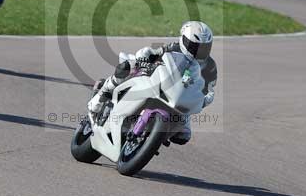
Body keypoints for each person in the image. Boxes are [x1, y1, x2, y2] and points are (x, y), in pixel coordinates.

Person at [87, 20, 217, 145]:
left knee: (183, 134)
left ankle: (152, 136)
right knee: (127, 67)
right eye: (194, 46)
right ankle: (102, 94)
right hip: (155, 79)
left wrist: (205, 99)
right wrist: (144, 58)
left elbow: (208, 89)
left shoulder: (210, 66)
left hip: (180, 97)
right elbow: (153, 53)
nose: (198, 51)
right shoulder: (174, 48)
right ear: (183, 40)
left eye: (204, 47)